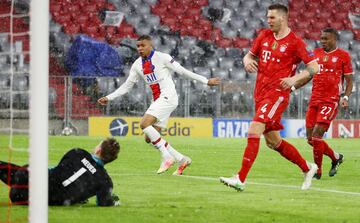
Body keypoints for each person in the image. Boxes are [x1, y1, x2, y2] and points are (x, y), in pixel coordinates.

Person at [219, 4, 319, 191]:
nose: (268, 20)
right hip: (260, 93)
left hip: (277, 95)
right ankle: (308, 167)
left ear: (283, 18)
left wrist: (294, 78)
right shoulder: (264, 35)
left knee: (254, 129)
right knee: (273, 142)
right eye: (268, 17)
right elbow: (249, 56)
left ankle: (240, 178)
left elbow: (314, 67)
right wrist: (247, 61)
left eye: (272, 17)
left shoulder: (295, 42)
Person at [98, 35, 220, 175]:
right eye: (138, 46)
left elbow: (182, 71)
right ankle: (181, 159)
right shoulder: (137, 65)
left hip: (168, 96)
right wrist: (109, 97)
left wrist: (205, 81)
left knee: (144, 124)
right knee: (149, 138)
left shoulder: (163, 57)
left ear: (150, 46)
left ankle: (166, 157)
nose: (140, 48)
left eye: (143, 45)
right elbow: (127, 86)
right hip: (158, 101)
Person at [291, 28, 353, 179]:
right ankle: (336, 157)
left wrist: (345, 97)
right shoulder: (316, 54)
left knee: (317, 135)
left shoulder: (343, 56)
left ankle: (317, 171)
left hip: (330, 101)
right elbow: (308, 76)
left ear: (334, 39)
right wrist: (293, 86)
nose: (322, 41)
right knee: (311, 139)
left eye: (326, 39)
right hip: (315, 100)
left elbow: (349, 80)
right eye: (321, 38)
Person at [0, 138, 121, 206]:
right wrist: (113, 200)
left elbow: (57, 170)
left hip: (26, 180)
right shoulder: (106, 181)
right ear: (112, 160)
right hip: (30, 200)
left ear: (98, 149)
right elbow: (103, 203)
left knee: (30, 172)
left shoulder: (78, 152)